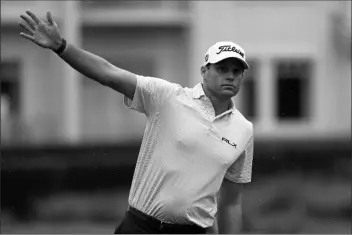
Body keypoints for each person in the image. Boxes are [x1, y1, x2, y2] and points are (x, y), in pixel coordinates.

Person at [19, 10, 254, 234]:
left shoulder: (243, 130)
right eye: (222, 68)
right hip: (141, 228)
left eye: (237, 70)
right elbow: (108, 74)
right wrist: (62, 47)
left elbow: (231, 203)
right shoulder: (168, 97)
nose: (230, 75)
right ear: (204, 71)